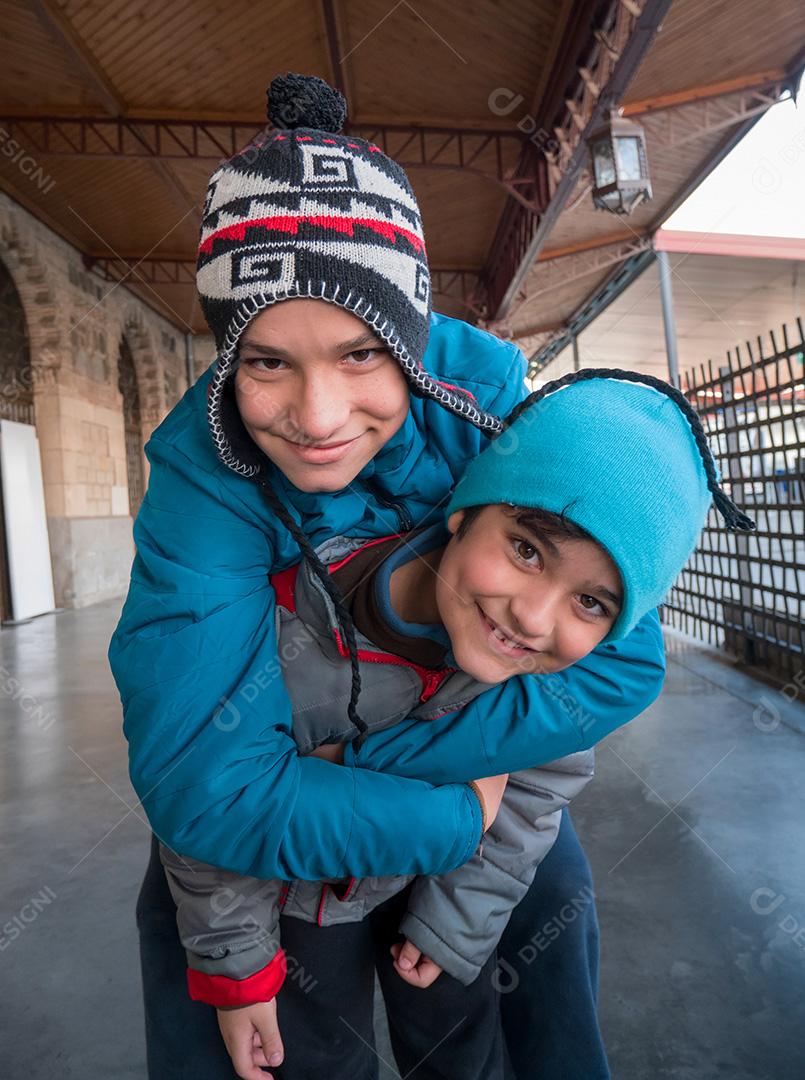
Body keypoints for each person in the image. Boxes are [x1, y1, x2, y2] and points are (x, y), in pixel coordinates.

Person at [109, 73, 667, 1078]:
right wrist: (455, 809)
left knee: (539, 951)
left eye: (363, 353)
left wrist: (437, 801)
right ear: (227, 358)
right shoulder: (201, 474)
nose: (318, 418)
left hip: (442, 786)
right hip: (292, 812)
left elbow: (616, 660)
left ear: (412, 343)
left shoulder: (501, 417)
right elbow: (204, 788)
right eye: (266, 361)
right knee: (225, 986)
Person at [158, 369, 753, 1079]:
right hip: (301, 899)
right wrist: (239, 968)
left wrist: (456, 919)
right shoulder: (285, 640)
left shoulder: (552, 683)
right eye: (527, 551)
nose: (532, 618)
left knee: (461, 1051)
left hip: (443, 893)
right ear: (461, 513)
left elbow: (534, 794)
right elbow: (206, 809)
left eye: (591, 603)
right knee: (314, 1058)